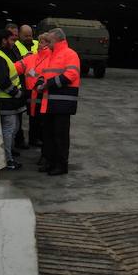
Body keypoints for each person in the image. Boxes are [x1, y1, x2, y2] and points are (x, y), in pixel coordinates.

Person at [35, 27, 81, 175]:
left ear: (58, 40)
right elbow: (44, 73)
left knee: (60, 136)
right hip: (49, 102)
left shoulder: (70, 54)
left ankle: (61, 165)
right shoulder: (52, 55)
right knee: (48, 135)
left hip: (62, 103)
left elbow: (72, 74)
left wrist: (48, 84)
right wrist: (40, 82)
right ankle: (50, 162)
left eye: (50, 40)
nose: (47, 43)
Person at [0, 28, 26, 170]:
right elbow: (3, 82)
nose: (14, 42)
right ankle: (7, 160)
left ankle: (6, 157)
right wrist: (17, 93)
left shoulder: (2, 54)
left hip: (8, 101)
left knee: (11, 129)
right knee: (9, 130)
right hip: (6, 101)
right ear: (3, 40)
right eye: (12, 40)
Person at [14, 32, 52, 167]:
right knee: (33, 118)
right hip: (32, 94)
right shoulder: (32, 58)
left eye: (43, 42)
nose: (40, 44)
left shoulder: (52, 58)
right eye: (40, 41)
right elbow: (15, 67)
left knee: (43, 122)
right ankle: (34, 139)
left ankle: (41, 146)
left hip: (44, 94)